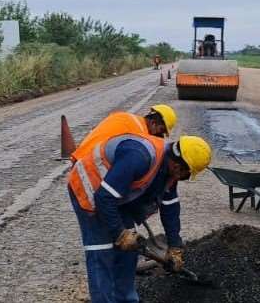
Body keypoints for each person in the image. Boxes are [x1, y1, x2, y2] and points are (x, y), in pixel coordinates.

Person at [68, 120, 212, 303]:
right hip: (90, 189)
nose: (184, 178)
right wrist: (119, 234)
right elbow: (104, 198)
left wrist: (174, 247)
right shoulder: (140, 156)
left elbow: (170, 208)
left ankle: (126, 299)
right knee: (102, 251)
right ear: (179, 167)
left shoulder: (170, 171)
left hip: (116, 197)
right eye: (186, 174)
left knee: (129, 251)